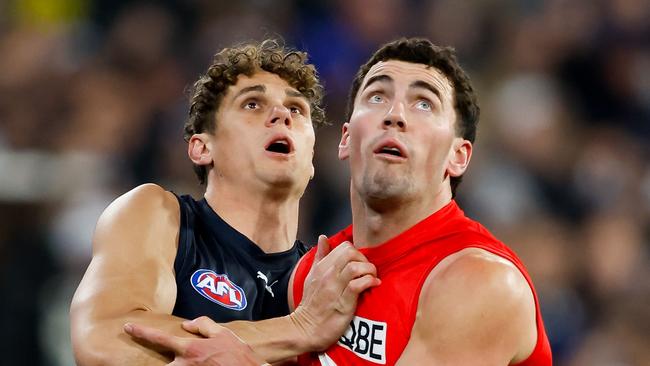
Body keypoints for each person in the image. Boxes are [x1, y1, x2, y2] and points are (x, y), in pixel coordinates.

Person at [127, 38, 552, 365]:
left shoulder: (478, 280)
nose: (395, 114)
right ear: (346, 138)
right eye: (377, 96)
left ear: (458, 157)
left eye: (424, 103)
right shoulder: (315, 274)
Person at [70, 39, 380, 365]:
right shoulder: (160, 216)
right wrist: (299, 328)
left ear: (312, 157)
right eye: (252, 104)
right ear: (202, 148)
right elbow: (105, 340)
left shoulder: (326, 279)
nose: (281, 115)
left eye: (296, 109)